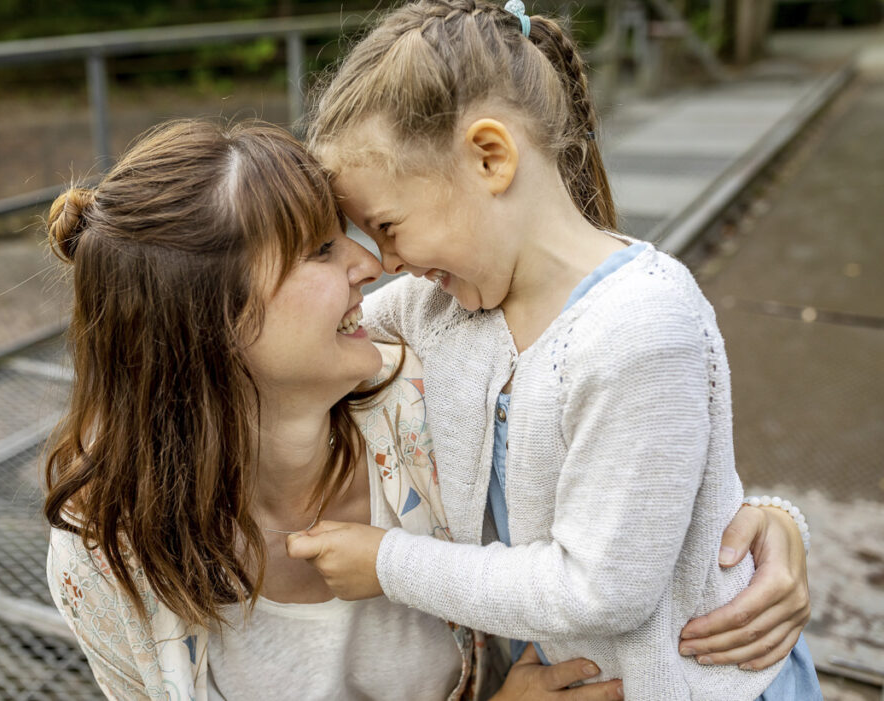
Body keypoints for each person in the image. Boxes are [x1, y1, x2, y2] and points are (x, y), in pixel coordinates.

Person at [287, 1, 821, 699]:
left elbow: (601, 589)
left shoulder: (643, 326)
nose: (386, 263)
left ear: (490, 157)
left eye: (388, 226)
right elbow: (326, 323)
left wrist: (390, 562)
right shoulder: (447, 303)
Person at [43, 118, 627, 700]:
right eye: (321, 250)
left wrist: (708, 508)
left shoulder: (433, 410)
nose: (371, 263)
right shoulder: (102, 554)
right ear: (205, 321)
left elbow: (622, 425)